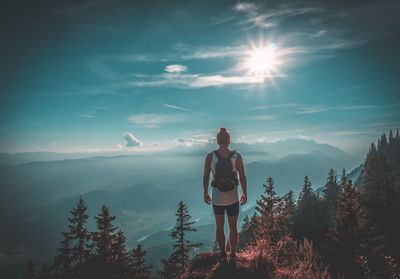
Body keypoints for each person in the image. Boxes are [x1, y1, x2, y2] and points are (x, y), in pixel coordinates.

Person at [203, 127, 247, 263]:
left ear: (217, 141)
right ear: (229, 140)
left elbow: (205, 176)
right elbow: (243, 177)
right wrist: (245, 193)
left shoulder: (210, 157)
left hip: (217, 198)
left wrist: (205, 192)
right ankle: (233, 254)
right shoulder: (236, 156)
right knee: (233, 227)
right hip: (233, 197)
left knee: (219, 227)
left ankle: (223, 254)